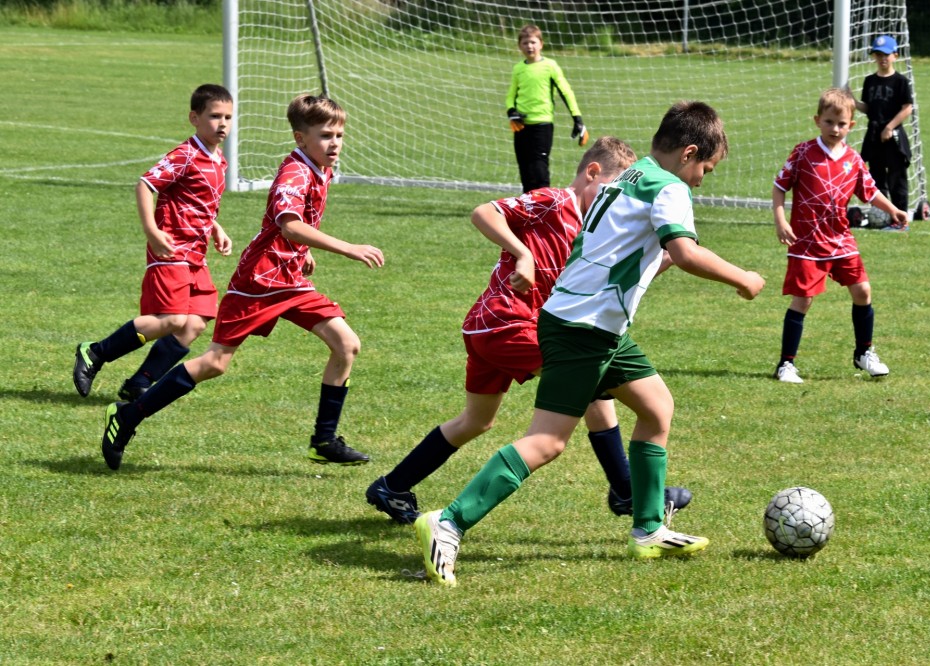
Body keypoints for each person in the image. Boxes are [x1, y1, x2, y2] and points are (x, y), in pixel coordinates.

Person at [415, 101, 766, 586]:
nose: (703, 180)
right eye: (706, 168)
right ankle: (449, 522)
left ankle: (648, 529)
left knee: (656, 408)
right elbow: (684, 253)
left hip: (590, 323)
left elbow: (630, 250)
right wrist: (743, 277)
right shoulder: (670, 188)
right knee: (547, 441)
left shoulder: (629, 178)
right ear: (688, 153)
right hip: (585, 328)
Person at [366, 137, 691, 525]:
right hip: (509, 323)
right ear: (592, 172)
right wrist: (522, 254)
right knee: (590, 385)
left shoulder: (596, 227)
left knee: (476, 421)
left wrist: (665, 257)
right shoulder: (554, 201)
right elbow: (484, 212)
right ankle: (625, 491)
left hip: (492, 329)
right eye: (612, 189)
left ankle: (392, 486)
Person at [99, 94, 385, 470]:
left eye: (339, 135)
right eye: (326, 136)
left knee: (346, 345)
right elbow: (289, 224)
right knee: (215, 362)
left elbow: (294, 226)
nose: (335, 144)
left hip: (289, 278)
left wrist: (302, 251)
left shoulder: (319, 168)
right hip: (259, 282)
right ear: (301, 138)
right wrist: (346, 247)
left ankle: (324, 440)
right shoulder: (296, 173)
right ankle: (127, 416)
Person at [74, 84, 234, 402]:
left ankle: (139, 383)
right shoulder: (185, 155)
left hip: (195, 254)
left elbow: (198, 201)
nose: (223, 124)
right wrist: (151, 230)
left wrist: (216, 228)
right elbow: (146, 184)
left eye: (228, 117)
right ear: (194, 118)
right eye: (215, 116)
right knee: (172, 319)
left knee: (195, 323)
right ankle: (95, 352)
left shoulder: (218, 160)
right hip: (171, 247)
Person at [771, 87, 907, 385]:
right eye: (829, 122)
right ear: (817, 120)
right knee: (803, 300)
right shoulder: (803, 152)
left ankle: (864, 353)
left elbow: (869, 192)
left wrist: (893, 210)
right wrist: (780, 221)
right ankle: (785, 364)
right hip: (807, 242)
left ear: (851, 125)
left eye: (841, 123)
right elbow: (780, 187)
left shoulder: (853, 159)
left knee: (863, 292)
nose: (835, 128)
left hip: (840, 240)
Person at [506, 24, 588, 193]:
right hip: (521, 127)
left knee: (539, 169)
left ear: (541, 44)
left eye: (533, 42)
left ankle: (545, 204)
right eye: (525, 43)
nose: (529, 46)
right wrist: (511, 111)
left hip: (542, 125)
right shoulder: (518, 68)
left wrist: (577, 119)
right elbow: (510, 95)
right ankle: (528, 205)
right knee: (525, 170)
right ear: (519, 46)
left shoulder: (550, 66)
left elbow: (566, 92)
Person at [852, 34, 913, 228]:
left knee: (897, 176)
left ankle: (900, 220)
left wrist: (889, 127)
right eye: (878, 54)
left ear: (895, 55)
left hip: (893, 135)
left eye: (886, 54)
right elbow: (869, 108)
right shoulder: (870, 80)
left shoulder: (900, 81)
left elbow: (907, 108)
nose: (882, 58)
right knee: (876, 176)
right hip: (874, 134)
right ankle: (882, 216)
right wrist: (853, 102)